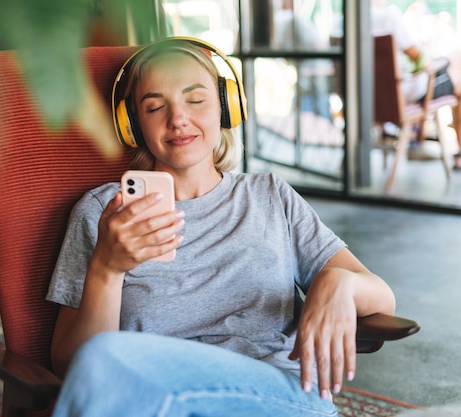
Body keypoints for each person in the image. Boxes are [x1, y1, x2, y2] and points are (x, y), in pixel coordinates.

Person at [45, 37, 396, 416]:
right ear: (133, 124)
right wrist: (106, 270)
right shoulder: (105, 214)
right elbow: (71, 366)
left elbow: (383, 299)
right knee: (102, 360)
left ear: (227, 106)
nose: (178, 118)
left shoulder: (270, 195)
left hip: (278, 398)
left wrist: (340, 283)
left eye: (196, 100)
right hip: (159, 402)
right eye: (154, 106)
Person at [371, 0, 461, 167]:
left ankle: (421, 139)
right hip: (402, 94)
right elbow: (421, 59)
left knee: (454, 60)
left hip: (369, 98)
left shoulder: (344, 21)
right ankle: (459, 154)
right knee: (458, 78)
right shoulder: (389, 15)